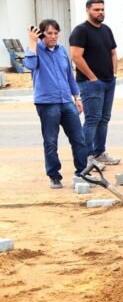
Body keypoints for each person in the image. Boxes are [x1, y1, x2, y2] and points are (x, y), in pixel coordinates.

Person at [24, 21, 88, 189]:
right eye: (49, 33)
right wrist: (32, 42)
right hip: (47, 103)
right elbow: (29, 65)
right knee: (51, 141)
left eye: (56, 33)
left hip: (66, 101)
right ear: (42, 34)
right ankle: (54, 176)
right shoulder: (35, 49)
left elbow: (69, 76)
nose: (53, 37)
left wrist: (77, 97)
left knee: (79, 139)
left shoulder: (61, 51)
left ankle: (82, 172)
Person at [69, 0, 121, 165]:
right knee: (92, 120)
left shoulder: (106, 29)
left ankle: (100, 153)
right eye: (96, 10)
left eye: (102, 9)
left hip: (108, 82)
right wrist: (92, 77)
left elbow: (113, 52)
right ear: (88, 10)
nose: (100, 12)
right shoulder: (81, 31)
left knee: (104, 119)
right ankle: (87, 156)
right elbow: (76, 56)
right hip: (90, 84)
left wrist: (114, 73)